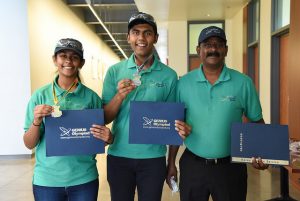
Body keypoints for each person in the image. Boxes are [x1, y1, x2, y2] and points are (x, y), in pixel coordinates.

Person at [167, 26, 268, 201]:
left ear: (226, 50)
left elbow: (257, 121)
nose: (213, 49)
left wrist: (264, 154)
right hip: (193, 165)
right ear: (199, 50)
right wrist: (170, 164)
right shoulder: (183, 83)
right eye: (207, 44)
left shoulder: (243, 83)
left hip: (230, 166)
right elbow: (176, 124)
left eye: (219, 44)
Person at [23, 38, 113, 201]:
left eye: (74, 57)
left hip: (84, 179)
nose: (68, 61)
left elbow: (98, 139)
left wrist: (108, 138)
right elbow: (29, 143)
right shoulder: (40, 96)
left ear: (82, 63)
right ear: (54, 60)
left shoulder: (91, 98)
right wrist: (36, 121)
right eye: (63, 55)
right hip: (47, 181)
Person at [102, 12, 177, 201]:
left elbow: (174, 122)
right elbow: (104, 118)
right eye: (135, 32)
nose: (141, 38)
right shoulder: (114, 72)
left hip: (153, 158)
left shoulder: (168, 76)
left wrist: (171, 163)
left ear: (156, 38)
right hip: (119, 155)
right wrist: (119, 96)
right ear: (128, 37)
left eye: (147, 33)